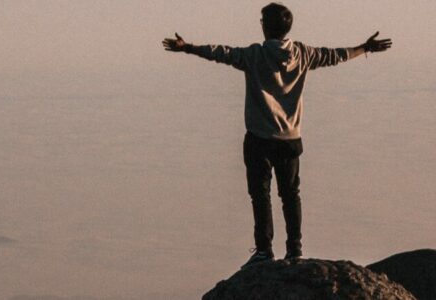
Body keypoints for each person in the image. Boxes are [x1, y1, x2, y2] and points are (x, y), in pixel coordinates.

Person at [161, 2, 392, 269]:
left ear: (266, 26)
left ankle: (264, 251)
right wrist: (365, 47)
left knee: (261, 195)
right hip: (291, 139)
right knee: (291, 194)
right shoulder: (303, 53)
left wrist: (187, 47)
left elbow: (221, 53)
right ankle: (295, 250)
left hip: (259, 138)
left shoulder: (255, 55)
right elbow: (336, 55)